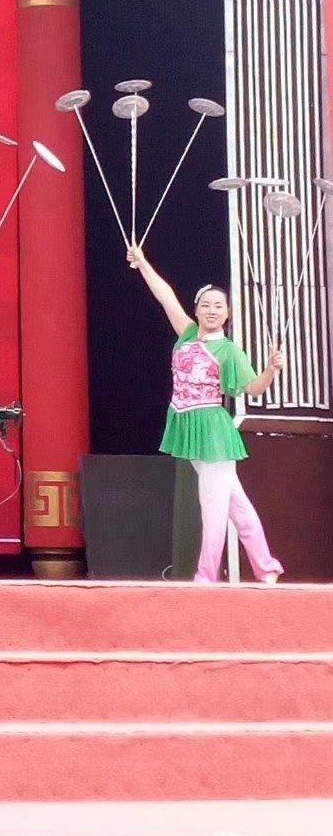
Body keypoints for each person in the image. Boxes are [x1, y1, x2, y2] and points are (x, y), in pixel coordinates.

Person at [127, 244, 283, 584]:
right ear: (197, 309)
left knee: (213, 507)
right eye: (206, 305)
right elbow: (165, 295)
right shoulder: (187, 334)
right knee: (235, 503)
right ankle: (266, 566)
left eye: (218, 306)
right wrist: (143, 263)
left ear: (228, 313)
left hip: (212, 431)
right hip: (189, 426)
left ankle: (205, 577)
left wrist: (271, 371)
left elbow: (253, 388)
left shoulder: (229, 351)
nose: (212, 310)